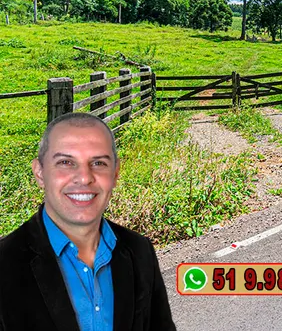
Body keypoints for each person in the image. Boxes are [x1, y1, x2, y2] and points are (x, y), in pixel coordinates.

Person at [0, 112, 176, 330]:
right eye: (65, 162)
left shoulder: (140, 251)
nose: (84, 178)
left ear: (115, 173)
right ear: (40, 172)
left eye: (99, 163)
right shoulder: (5, 263)